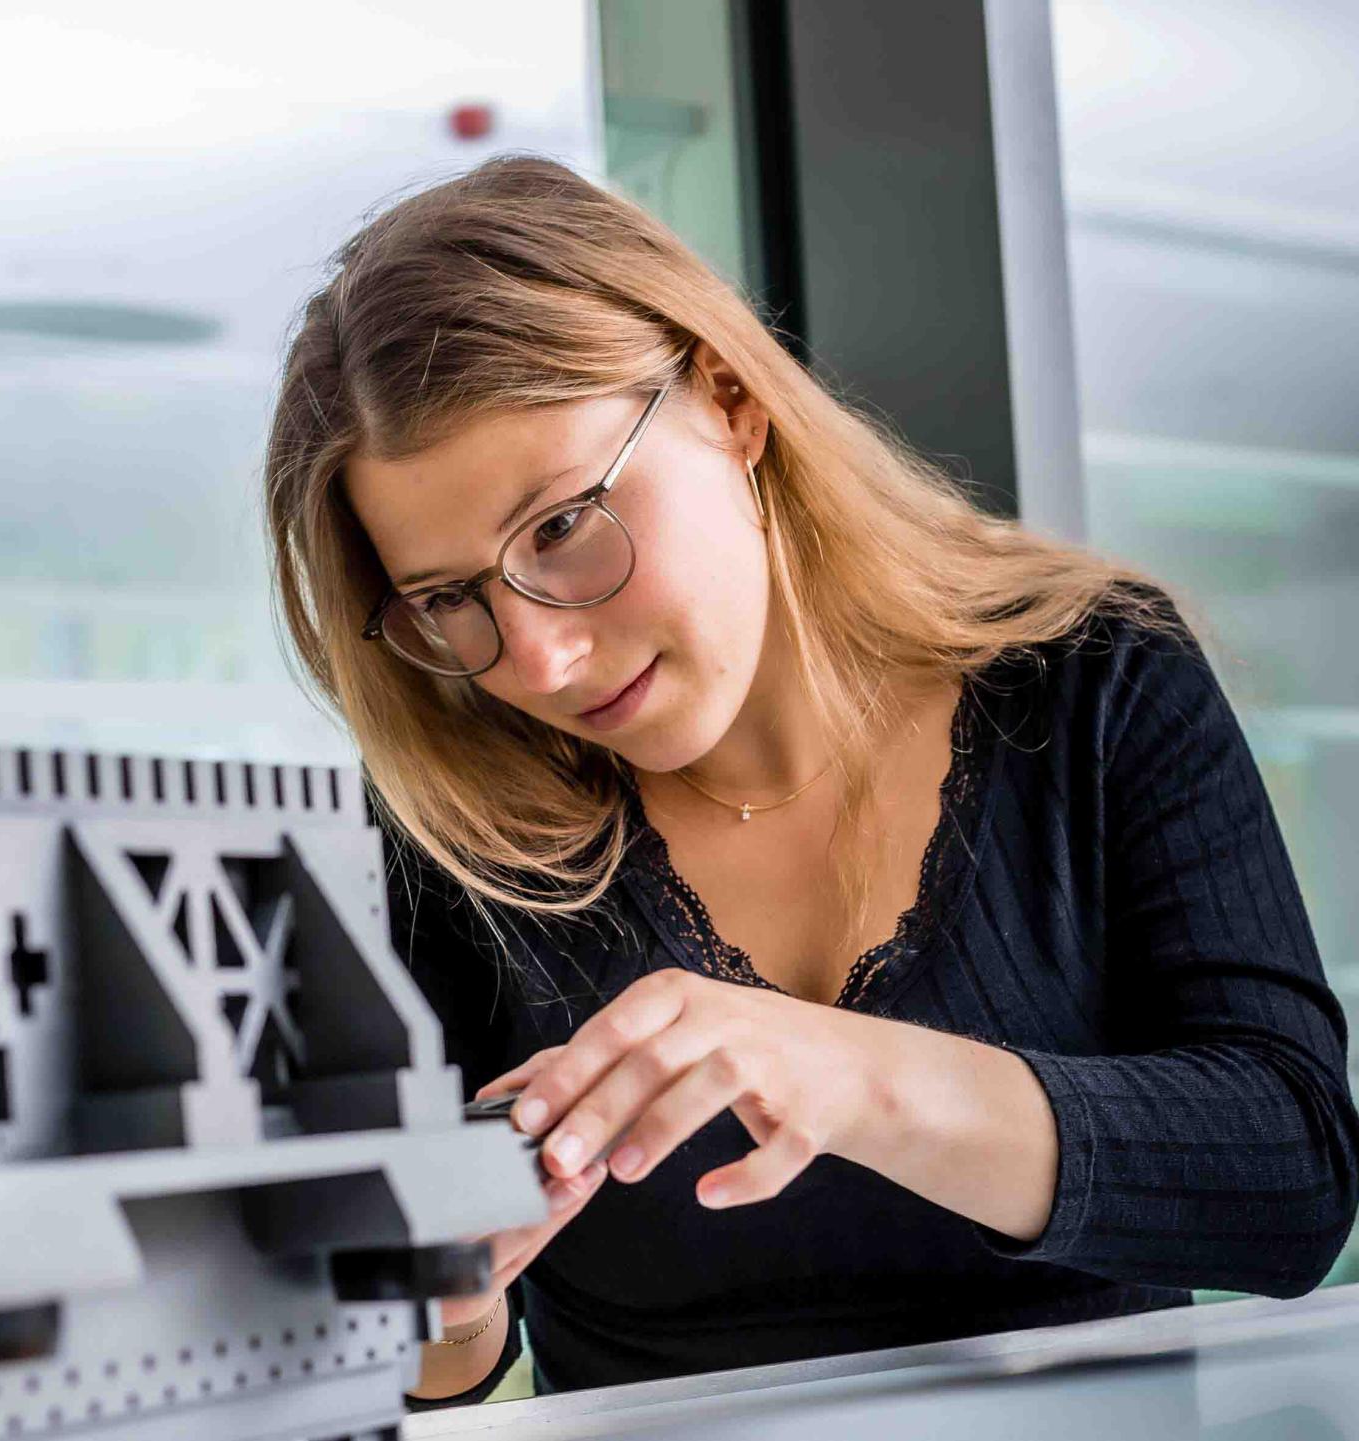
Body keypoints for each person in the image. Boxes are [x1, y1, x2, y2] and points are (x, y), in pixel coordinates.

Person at [260, 154, 1359, 1406]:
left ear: (727, 398)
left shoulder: (1095, 676)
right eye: (452, 599)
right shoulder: (443, 846)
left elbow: (1293, 1177)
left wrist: (853, 1075)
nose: (540, 655)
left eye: (563, 526)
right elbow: (421, 1377)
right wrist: (441, 1314)